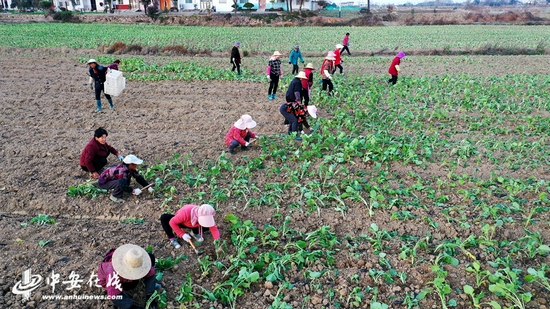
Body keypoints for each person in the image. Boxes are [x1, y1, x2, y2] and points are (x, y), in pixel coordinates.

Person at [98, 244, 159, 309]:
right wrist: (132, 307)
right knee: (130, 286)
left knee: (151, 258)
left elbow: (151, 274)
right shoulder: (113, 273)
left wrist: (150, 296)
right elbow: (114, 295)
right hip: (108, 281)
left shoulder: (137, 259)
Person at [280, 71, 309, 141]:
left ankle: (290, 132)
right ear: (301, 78)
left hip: (286, 104)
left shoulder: (295, 80)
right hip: (285, 107)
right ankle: (294, 135)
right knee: (294, 120)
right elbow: (296, 92)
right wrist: (298, 100)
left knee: (292, 119)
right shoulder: (297, 83)